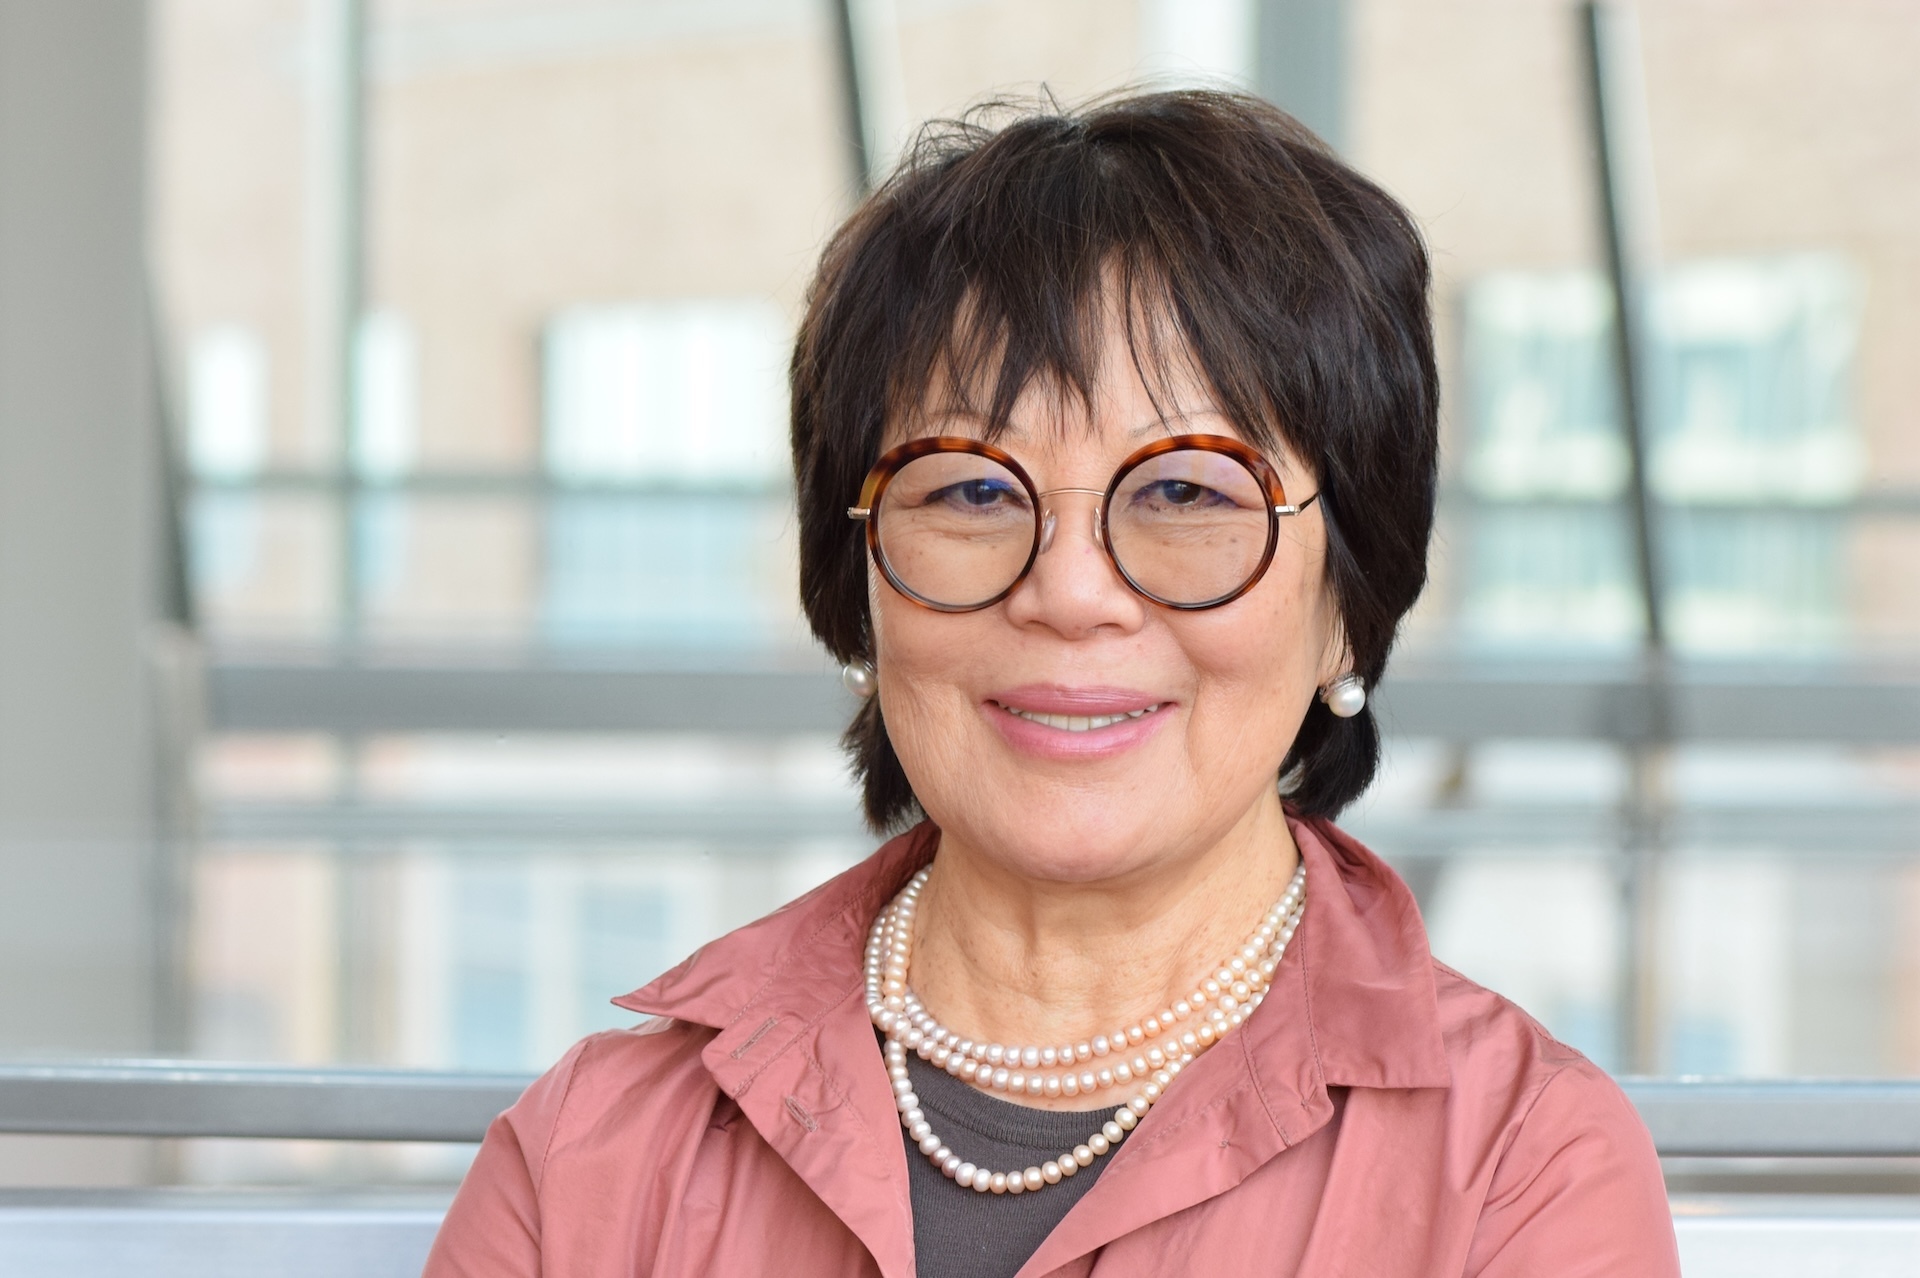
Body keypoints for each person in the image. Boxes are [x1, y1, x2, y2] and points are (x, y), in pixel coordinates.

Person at [423, 89, 1680, 1278]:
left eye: (1188, 493)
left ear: (1350, 602)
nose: (1072, 594)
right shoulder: (595, 1152)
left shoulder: (1517, 1173)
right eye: (971, 490)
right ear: (856, 577)